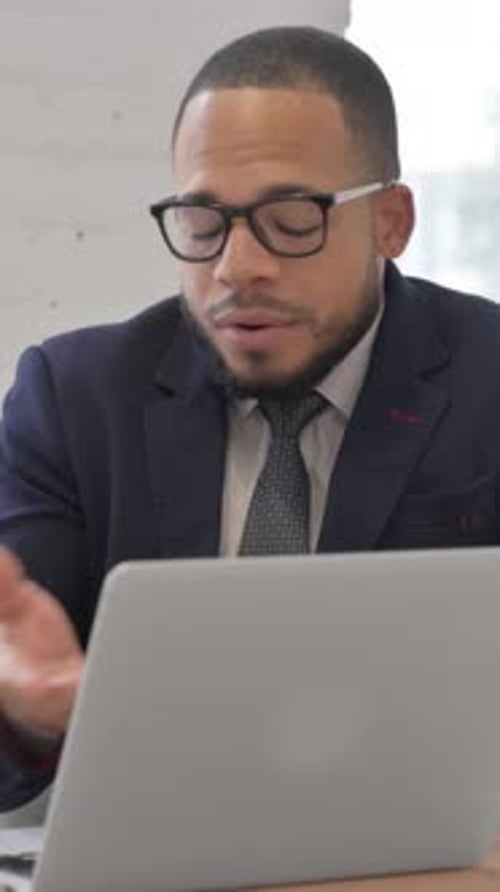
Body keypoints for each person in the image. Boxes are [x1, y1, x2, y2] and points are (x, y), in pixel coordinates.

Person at [1, 24, 500, 813]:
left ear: (392, 222)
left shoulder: (487, 380)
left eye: (291, 218)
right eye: (204, 222)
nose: (239, 267)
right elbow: (18, 679)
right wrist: (25, 715)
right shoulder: (75, 397)